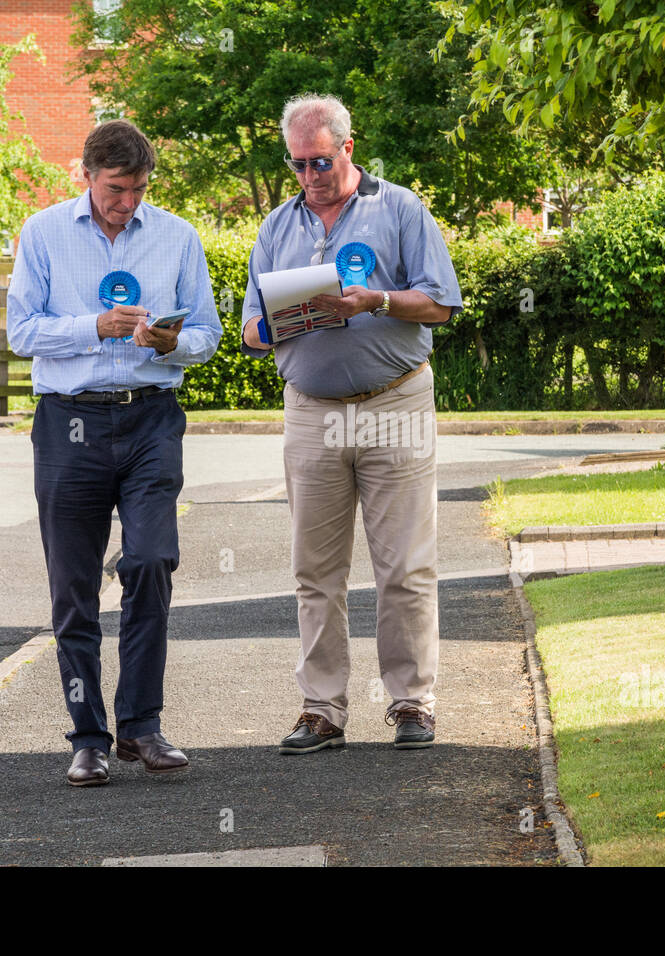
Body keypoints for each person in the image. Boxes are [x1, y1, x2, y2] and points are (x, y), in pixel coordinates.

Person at [241, 94, 462, 754]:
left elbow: (442, 304)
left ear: (349, 148)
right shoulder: (277, 227)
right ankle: (322, 709)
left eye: (320, 161)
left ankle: (412, 703)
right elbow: (252, 329)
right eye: (298, 163)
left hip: (393, 402)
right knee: (315, 570)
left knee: (404, 566)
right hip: (311, 411)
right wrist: (295, 317)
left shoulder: (400, 209)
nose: (310, 175)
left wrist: (379, 300)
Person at [8, 119, 222, 786]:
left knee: (152, 560)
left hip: (150, 419)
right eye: (115, 189)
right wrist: (91, 327)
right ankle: (89, 737)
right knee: (73, 590)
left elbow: (209, 333)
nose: (127, 202)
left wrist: (169, 344)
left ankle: (142, 727)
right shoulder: (43, 234)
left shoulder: (178, 237)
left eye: (137, 190)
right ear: (86, 175)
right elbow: (20, 331)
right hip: (68, 423)